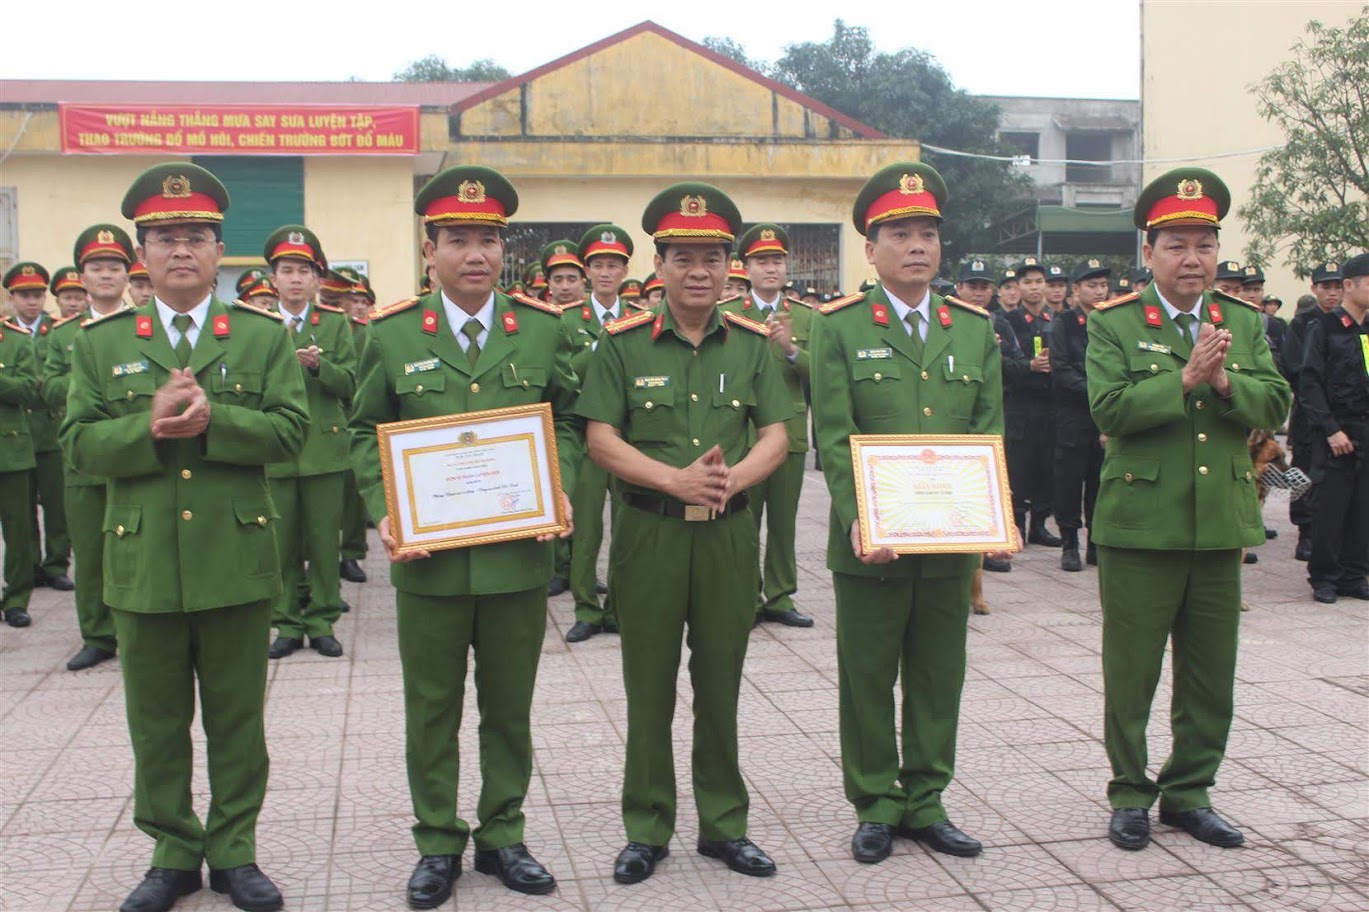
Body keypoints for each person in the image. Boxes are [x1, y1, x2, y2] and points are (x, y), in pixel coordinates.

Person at [62, 162, 309, 912]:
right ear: (143, 252)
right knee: (158, 723)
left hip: (235, 558)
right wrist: (146, 426)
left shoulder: (263, 337)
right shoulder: (99, 344)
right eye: (165, 237)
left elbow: (292, 432)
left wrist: (215, 421)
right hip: (141, 561)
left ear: (218, 251)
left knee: (238, 718)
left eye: (195, 237)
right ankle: (172, 853)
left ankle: (234, 851)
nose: (180, 250)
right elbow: (76, 444)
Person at [349, 165, 577, 904]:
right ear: (430, 251)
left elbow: (569, 419)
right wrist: (385, 507)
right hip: (430, 564)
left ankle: (503, 834)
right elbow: (361, 431)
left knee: (508, 708)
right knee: (432, 708)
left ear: (501, 249)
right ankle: (438, 841)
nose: (474, 253)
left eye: (487, 239)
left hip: (515, 561)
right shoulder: (388, 336)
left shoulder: (541, 330)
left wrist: (561, 481)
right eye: (458, 239)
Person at [575, 182, 790, 885]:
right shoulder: (622, 346)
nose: (698, 270)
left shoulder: (754, 346)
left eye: (712, 257)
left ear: (729, 266)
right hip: (650, 536)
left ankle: (724, 827)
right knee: (648, 687)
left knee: (721, 683)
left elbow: (777, 436)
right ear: (658, 266)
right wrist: (671, 480)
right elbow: (600, 437)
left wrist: (734, 481)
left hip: (727, 537)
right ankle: (646, 827)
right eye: (683, 257)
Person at [1087, 168, 1290, 854]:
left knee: (1208, 673)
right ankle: (1128, 793)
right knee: (1132, 670)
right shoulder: (1114, 323)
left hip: (1215, 526)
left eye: (1203, 244)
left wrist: (1227, 379)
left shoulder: (1241, 323)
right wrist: (1181, 378)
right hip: (1140, 526)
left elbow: (1276, 403)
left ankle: (1189, 792)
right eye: (1175, 245)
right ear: (1148, 253)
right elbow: (1107, 409)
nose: (1191, 259)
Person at [811, 162, 1002, 865]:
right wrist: (858, 514)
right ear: (871, 247)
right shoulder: (838, 327)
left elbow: (989, 432)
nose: (916, 245)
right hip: (872, 541)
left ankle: (926, 799)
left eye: (926, 233)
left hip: (950, 540)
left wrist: (992, 517)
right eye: (899, 233)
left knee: (935, 675)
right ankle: (874, 803)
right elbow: (832, 433)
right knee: (866, 677)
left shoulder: (974, 330)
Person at [260, 226, 357, 660]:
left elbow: (352, 383)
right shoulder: (258, 326)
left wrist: (321, 368)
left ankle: (321, 621)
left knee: (323, 545)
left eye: (304, 270)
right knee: (279, 545)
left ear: (317, 280)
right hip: (275, 452)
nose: (295, 279)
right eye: (287, 270)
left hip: (323, 451)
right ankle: (286, 623)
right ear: (273, 280)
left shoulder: (335, 325)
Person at [45, 225, 136, 670]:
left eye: (114, 267)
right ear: (81, 276)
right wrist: (96, 381)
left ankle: (137, 628)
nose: (105, 275)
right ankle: (98, 634)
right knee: (90, 551)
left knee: (138, 549)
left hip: (134, 457)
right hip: (83, 462)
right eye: (96, 267)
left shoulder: (145, 325)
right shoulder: (64, 334)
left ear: (128, 273)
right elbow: (47, 388)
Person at [719, 223, 814, 627]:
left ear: (786, 267)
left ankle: (780, 595)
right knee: (744, 520)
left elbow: (821, 373)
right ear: (746, 267)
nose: (770, 268)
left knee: (783, 521)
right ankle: (744, 595)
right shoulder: (730, 315)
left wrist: (791, 349)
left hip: (788, 432)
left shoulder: (806, 316)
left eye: (776, 260)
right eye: (761, 261)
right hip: (744, 435)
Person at [563, 223, 633, 643]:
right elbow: (566, 373)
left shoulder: (641, 318)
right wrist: (599, 347)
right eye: (598, 265)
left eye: (614, 265)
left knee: (628, 527)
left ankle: (621, 608)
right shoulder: (569, 320)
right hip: (587, 438)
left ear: (625, 271)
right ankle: (586, 607)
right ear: (587, 272)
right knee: (586, 528)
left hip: (628, 439)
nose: (606, 273)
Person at [1297, 252, 1369, 603]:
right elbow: (1310, 383)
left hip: (1365, 428)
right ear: (1349, 286)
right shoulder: (1323, 327)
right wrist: (1330, 429)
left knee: (1362, 508)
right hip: (1335, 432)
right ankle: (1324, 576)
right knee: (1330, 507)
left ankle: (1355, 575)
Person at [5, 263, 73, 593]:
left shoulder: (58, 330)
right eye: (24, 296)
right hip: (17, 434)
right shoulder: (6, 332)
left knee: (56, 503)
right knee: (22, 508)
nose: (32, 302)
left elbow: (51, 379)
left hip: (50, 430)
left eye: (37, 295)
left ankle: (57, 563)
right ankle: (29, 565)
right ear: (12, 298)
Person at [1051, 258, 1111, 571]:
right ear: (1077, 290)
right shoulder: (1063, 323)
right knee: (1069, 483)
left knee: (1100, 481)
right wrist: (1098, 388)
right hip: (1072, 416)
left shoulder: (1113, 322)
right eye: (1092, 285)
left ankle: (1096, 544)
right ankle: (1070, 544)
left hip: (1103, 418)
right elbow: (1060, 370)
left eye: (1103, 285)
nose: (1099, 291)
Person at [1283, 261, 1344, 560]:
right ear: (1314, 289)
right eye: (1325, 287)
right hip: (1309, 411)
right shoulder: (1303, 323)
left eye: (1337, 286)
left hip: (1344, 414)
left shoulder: (1353, 322)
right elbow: (1294, 367)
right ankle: (1304, 530)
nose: (1332, 293)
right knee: (1303, 470)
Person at [1003, 257, 1063, 545]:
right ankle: (1016, 526)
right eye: (1027, 282)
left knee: (1046, 466)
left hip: (1050, 405)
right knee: (1018, 468)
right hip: (1019, 405)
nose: (1034, 287)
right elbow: (1002, 363)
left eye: (1039, 281)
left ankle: (1039, 526)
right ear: (1018, 287)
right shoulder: (1007, 322)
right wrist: (1029, 366)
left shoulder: (1057, 319)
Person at [0, 264, 42, 629]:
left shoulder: (15, 340)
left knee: (18, 531)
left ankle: (16, 599)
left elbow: (30, 388)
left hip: (10, 451)